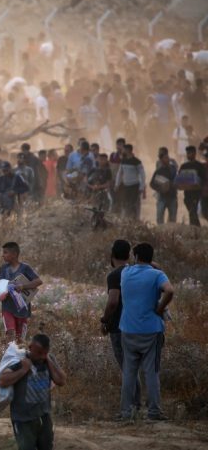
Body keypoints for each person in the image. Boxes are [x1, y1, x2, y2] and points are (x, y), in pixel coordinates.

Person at [118, 243, 174, 421]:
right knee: (151, 373)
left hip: (128, 329)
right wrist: (160, 308)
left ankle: (126, 412)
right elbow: (170, 290)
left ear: (135, 256)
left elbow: (133, 265)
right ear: (151, 257)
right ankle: (154, 413)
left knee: (129, 373)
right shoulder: (157, 274)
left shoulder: (125, 273)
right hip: (151, 330)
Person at [0, 334, 67, 450]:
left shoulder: (49, 359)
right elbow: (2, 380)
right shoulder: (19, 359)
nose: (42, 357)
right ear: (30, 347)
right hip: (23, 419)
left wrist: (48, 360)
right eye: (39, 353)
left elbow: (61, 380)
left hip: (44, 416)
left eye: (45, 353)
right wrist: (23, 369)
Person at [100, 240, 141, 415]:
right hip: (138, 325)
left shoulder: (115, 275)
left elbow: (113, 302)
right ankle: (137, 404)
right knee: (134, 367)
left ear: (112, 255)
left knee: (127, 368)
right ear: (129, 255)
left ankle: (130, 407)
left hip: (119, 326)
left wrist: (104, 320)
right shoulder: (137, 271)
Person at [0, 242, 43, 343]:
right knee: (10, 333)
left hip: (22, 309)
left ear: (14, 254)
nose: (3, 255)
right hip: (7, 307)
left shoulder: (25, 268)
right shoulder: (3, 268)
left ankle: (18, 356)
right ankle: (10, 356)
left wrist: (23, 286)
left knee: (20, 340)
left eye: (5, 252)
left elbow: (38, 281)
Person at [114, 144, 145, 220]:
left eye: (124, 149)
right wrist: (117, 184)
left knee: (133, 204)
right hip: (125, 186)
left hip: (134, 186)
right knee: (125, 203)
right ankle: (126, 220)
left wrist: (142, 187)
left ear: (128, 150)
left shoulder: (137, 161)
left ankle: (134, 220)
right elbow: (119, 173)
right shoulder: (123, 161)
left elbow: (142, 175)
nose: (122, 151)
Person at [178, 145, 206, 226]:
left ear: (194, 154)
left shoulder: (199, 166)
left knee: (192, 210)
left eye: (190, 153)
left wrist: (199, 184)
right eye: (187, 153)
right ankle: (197, 227)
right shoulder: (184, 166)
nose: (188, 155)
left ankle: (194, 227)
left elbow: (203, 178)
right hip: (187, 193)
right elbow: (179, 178)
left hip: (196, 193)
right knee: (190, 208)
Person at [150, 149, 178, 225]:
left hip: (172, 197)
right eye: (165, 158)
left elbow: (177, 179)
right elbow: (152, 184)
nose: (167, 159)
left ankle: (171, 234)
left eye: (167, 157)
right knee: (159, 218)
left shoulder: (173, 169)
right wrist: (160, 189)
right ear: (161, 159)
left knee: (172, 219)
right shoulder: (159, 171)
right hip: (162, 197)